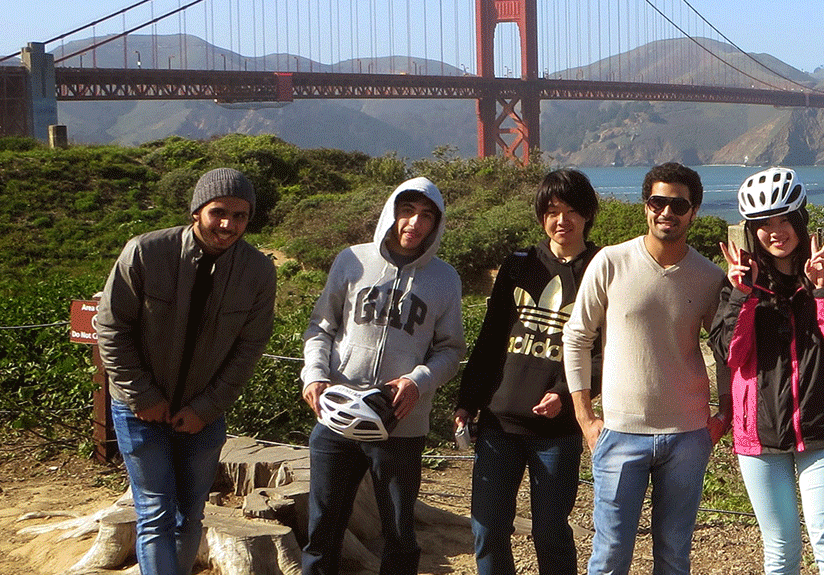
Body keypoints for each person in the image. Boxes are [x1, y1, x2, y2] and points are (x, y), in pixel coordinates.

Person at [95, 167, 276, 575]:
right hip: (138, 409)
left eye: (241, 215)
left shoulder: (258, 272)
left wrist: (207, 407)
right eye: (219, 212)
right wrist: (142, 396)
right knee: (156, 511)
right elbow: (111, 327)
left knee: (189, 516)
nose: (229, 225)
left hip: (203, 414)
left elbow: (249, 348)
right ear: (197, 211)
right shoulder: (145, 252)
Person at [563, 162, 728, 575]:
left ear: (694, 211)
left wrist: (724, 414)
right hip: (619, 433)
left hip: (688, 435)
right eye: (658, 202)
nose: (667, 212)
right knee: (610, 553)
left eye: (678, 204)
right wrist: (585, 417)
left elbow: (728, 349)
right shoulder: (611, 261)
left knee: (674, 554)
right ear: (645, 207)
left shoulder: (709, 276)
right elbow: (577, 337)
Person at [298, 177, 466, 575]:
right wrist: (314, 375)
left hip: (399, 424)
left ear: (437, 224)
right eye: (407, 211)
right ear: (391, 211)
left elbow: (450, 350)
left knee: (399, 533)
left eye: (427, 216)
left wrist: (418, 381)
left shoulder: (445, 279)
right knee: (322, 528)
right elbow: (320, 327)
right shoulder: (352, 260)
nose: (414, 223)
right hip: (335, 415)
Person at [710, 168, 824, 575]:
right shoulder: (741, 283)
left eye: (784, 220)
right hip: (758, 434)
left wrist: (821, 288)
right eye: (763, 224)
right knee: (779, 550)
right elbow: (730, 354)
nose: (776, 232)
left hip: (822, 427)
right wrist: (742, 295)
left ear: (800, 221)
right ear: (751, 230)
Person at [453, 169, 601, 575]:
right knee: (487, 529)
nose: (562, 220)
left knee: (550, 533)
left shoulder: (601, 267)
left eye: (572, 210)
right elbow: (490, 339)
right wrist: (468, 402)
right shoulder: (519, 264)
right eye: (552, 211)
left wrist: (565, 393)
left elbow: (605, 352)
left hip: (557, 432)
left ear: (588, 215)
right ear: (541, 216)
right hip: (499, 423)